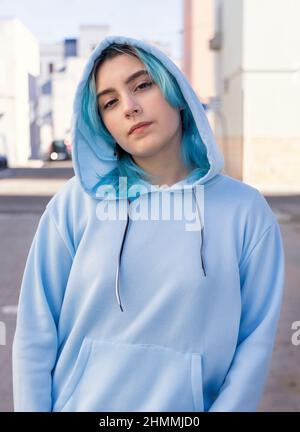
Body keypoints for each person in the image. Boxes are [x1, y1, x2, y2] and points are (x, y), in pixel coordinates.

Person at [12, 35, 285, 412]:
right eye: (109, 102)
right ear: (101, 123)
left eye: (142, 85)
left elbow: (253, 345)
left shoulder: (245, 211)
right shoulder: (74, 205)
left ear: (175, 91)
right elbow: (34, 334)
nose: (129, 107)